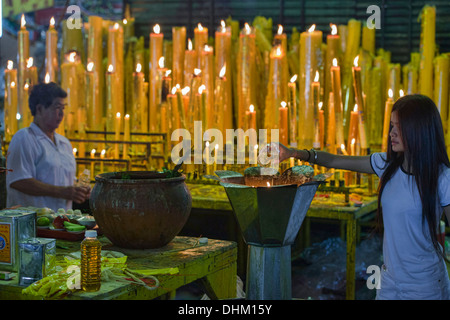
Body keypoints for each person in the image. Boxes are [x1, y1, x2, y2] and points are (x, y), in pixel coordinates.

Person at [273, 94, 450, 300]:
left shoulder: (442, 177)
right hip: (390, 281)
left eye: (398, 127)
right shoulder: (387, 165)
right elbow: (335, 160)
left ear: (418, 130)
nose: (391, 133)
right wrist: (294, 153)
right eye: (391, 126)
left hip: (425, 284)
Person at [6, 82, 90, 212]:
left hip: (61, 222)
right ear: (39, 109)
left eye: (63, 108)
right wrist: (62, 192)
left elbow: (66, 183)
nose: (61, 114)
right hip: (33, 223)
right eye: (57, 107)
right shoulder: (24, 138)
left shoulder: (64, 143)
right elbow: (19, 180)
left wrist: (78, 190)